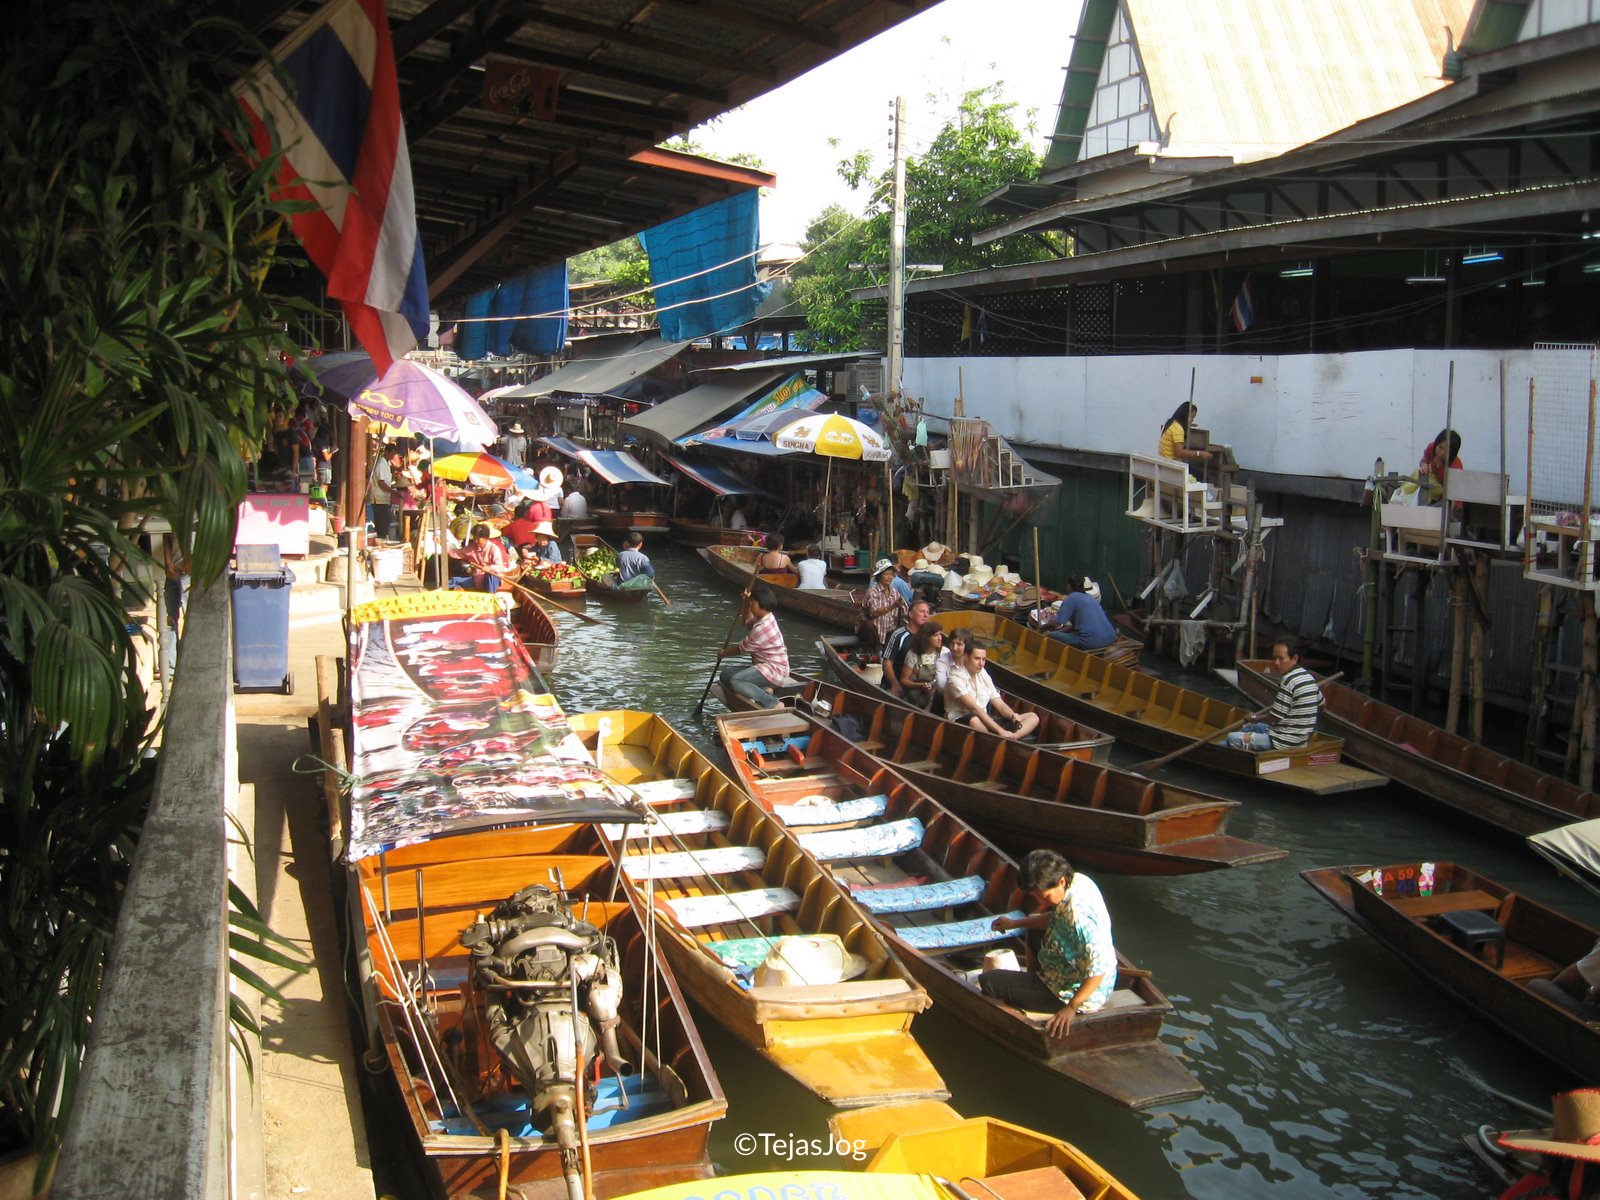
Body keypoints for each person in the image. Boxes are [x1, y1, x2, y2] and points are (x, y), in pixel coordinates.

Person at [981, 849, 1117, 1040]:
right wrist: (1016, 923)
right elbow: (1055, 919)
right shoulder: (1079, 881)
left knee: (989, 980)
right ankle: (1032, 980)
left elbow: (1098, 969)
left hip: (1075, 994)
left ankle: (1035, 991)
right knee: (1034, 925)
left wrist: (1071, 1007)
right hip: (1080, 975)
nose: (1040, 901)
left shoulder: (1078, 920)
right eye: (1036, 897)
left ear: (1061, 882)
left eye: (1044, 896)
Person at [1226, 638, 1322, 749]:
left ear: (1294, 658)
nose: (1276, 663)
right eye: (1274, 658)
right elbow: (1322, 705)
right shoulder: (1308, 677)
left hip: (1281, 742)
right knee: (1250, 727)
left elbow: (1275, 717)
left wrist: (1253, 717)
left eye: (1281, 658)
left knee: (1231, 737)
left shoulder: (1288, 681)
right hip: (1298, 740)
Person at [946, 641, 1041, 740]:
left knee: (1032, 716)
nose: (981, 663)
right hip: (961, 721)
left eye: (984, 659)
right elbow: (975, 709)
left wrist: (1012, 715)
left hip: (986, 720)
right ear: (965, 657)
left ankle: (1012, 737)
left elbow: (999, 703)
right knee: (974, 719)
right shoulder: (955, 678)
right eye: (977, 659)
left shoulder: (983, 673)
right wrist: (1000, 731)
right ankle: (993, 741)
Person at [718, 585, 788, 709]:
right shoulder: (762, 617)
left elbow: (741, 649)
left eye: (752, 603)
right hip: (762, 666)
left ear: (761, 604)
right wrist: (746, 603)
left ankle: (772, 703)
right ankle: (764, 689)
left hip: (774, 670)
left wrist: (723, 653)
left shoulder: (763, 627)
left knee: (736, 681)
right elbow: (746, 622)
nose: (751, 605)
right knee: (725, 675)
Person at [1039, 576, 1118, 650]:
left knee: (1050, 635)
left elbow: (1056, 624)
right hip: (1111, 638)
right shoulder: (1090, 598)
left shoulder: (1072, 597)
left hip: (1091, 642)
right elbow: (1074, 627)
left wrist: (1041, 628)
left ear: (1068, 586)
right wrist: (1058, 632)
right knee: (1057, 634)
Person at [883, 599, 932, 698]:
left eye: (928, 612)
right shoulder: (898, 635)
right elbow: (887, 663)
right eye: (922, 612)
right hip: (897, 683)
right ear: (910, 614)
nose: (926, 615)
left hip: (920, 686)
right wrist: (895, 685)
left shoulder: (929, 637)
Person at [449, 523, 515, 592]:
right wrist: (442, 544)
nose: (476, 540)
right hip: (477, 579)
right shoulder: (472, 547)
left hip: (492, 580)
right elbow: (455, 553)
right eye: (475, 538)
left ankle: (490, 595)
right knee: (454, 580)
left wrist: (489, 568)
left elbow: (500, 567)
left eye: (478, 539)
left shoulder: (493, 548)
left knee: (491, 575)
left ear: (485, 538)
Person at [859, 559, 907, 654]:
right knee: (869, 626)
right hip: (872, 633)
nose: (890, 577)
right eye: (886, 574)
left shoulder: (895, 593)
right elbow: (873, 613)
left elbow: (905, 612)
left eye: (891, 574)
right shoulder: (872, 592)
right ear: (879, 576)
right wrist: (893, 606)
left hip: (889, 631)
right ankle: (876, 651)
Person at [161, 534, 190, 680]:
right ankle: (171, 666)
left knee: (191, 619)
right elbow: (166, 536)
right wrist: (168, 562)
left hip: (191, 575)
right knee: (170, 619)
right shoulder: (171, 518)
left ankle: (191, 662)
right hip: (172, 574)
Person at [896, 623, 945, 708]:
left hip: (934, 692)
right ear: (926, 638)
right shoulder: (913, 654)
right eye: (935, 635)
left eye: (940, 634)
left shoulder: (943, 653)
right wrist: (921, 685)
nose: (940, 638)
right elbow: (904, 680)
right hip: (915, 693)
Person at [1415, 427, 1463, 506]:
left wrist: (1448, 514)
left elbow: (1453, 497)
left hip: (1449, 503)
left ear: (1452, 452)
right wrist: (1424, 465)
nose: (1441, 452)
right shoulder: (1431, 448)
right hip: (1433, 497)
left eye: (1446, 450)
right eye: (1440, 447)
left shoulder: (1455, 466)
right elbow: (1423, 461)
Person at [370, 446, 398, 540]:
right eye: (391, 453)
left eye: (394, 454)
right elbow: (381, 483)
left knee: (385, 523)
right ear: (386, 452)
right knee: (381, 524)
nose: (392, 456)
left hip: (385, 499)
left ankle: (382, 539)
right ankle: (381, 540)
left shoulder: (387, 464)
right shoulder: (381, 463)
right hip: (378, 498)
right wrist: (393, 492)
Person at [934, 626, 972, 693]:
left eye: (959, 644)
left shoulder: (972, 660)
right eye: (952, 643)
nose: (954, 648)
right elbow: (941, 687)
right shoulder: (942, 662)